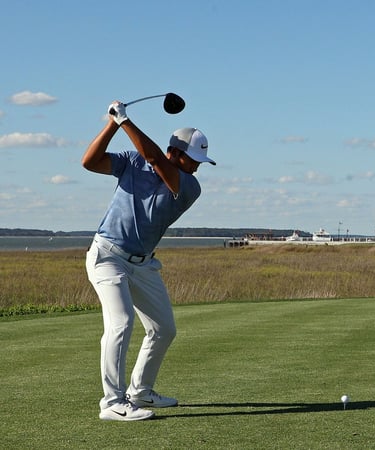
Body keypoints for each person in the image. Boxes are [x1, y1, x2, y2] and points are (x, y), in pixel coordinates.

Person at [82, 100, 216, 421]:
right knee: (121, 322)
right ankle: (112, 402)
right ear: (176, 152)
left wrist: (126, 121)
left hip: (143, 264)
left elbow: (154, 158)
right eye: (193, 159)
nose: (197, 166)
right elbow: (90, 162)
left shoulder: (189, 186)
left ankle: (140, 392)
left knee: (163, 329)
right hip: (107, 256)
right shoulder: (132, 162)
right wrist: (112, 125)